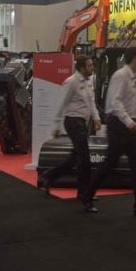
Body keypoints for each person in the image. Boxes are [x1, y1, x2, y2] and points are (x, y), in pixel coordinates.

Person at [81, 47, 136, 215]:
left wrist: (132, 123)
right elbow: (115, 103)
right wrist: (129, 122)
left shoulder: (132, 77)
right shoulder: (121, 76)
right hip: (119, 125)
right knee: (109, 164)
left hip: (129, 125)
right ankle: (87, 196)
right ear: (134, 58)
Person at [38, 55, 101, 200]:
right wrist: (56, 125)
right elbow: (61, 104)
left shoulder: (89, 81)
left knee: (75, 157)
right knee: (84, 158)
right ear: (82, 68)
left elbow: (91, 102)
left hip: (82, 122)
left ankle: (49, 176)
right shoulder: (71, 82)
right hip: (73, 122)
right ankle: (84, 192)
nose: (92, 68)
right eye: (89, 65)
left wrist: (96, 118)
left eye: (92, 65)